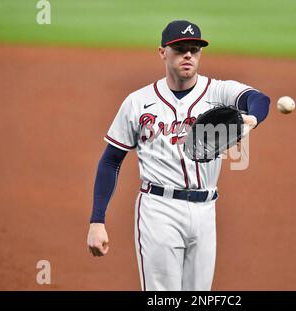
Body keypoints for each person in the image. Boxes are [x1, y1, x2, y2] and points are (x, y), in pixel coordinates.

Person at [87, 20, 270, 291]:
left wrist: (252, 118)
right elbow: (111, 160)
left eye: (194, 49)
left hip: (206, 210)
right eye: (180, 48)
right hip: (159, 210)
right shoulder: (138, 102)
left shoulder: (218, 91)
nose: (188, 55)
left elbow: (260, 99)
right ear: (162, 53)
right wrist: (97, 220)